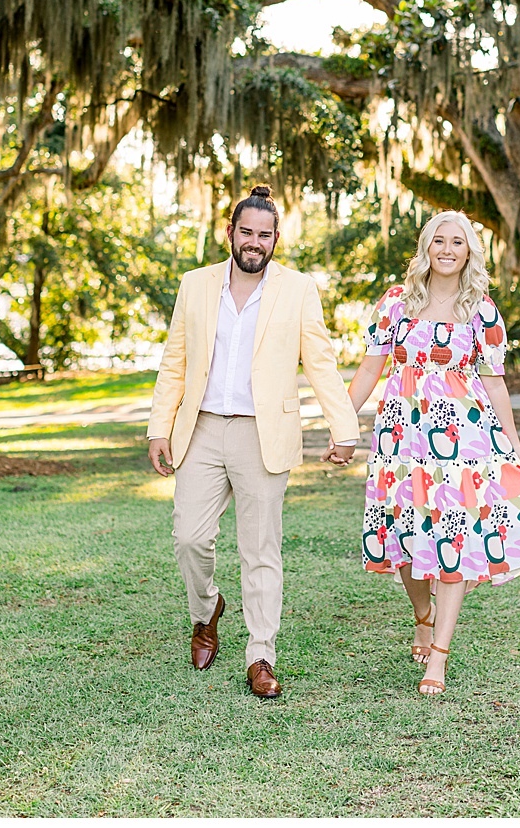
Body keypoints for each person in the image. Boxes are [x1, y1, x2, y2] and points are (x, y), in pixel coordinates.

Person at [147, 184, 363, 699]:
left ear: (275, 239)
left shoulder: (298, 289)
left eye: (264, 235)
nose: (254, 243)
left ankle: (261, 653)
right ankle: (207, 611)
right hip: (199, 428)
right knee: (189, 538)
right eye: (246, 232)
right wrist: (160, 426)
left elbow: (321, 363)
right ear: (229, 233)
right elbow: (175, 361)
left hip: (264, 434)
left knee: (260, 549)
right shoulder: (195, 285)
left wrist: (345, 428)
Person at [343, 209, 520, 696]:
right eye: (439, 241)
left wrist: (514, 445)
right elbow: (371, 371)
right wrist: (342, 424)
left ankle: (439, 658)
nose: (448, 249)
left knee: (452, 538)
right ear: (426, 248)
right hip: (400, 440)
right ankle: (422, 614)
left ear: (469, 251)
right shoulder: (396, 302)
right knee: (407, 540)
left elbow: (495, 384)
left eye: (458, 242)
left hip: (463, 443)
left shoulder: (482, 309)